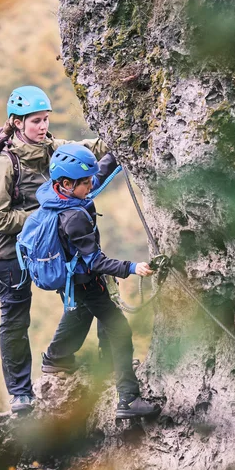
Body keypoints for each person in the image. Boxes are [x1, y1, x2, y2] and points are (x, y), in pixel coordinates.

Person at [0, 85, 107, 414]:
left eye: (45, 119)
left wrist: (120, 137)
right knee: (15, 318)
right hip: (8, 253)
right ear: (16, 122)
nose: (42, 126)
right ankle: (20, 393)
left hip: (49, 249)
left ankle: (58, 359)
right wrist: (42, 218)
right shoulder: (3, 164)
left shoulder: (55, 149)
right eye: (36, 121)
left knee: (86, 296)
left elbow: (91, 149)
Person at [36, 144, 161, 420]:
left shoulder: (56, 194)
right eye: (85, 182)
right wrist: (131, 268)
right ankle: (128, 399)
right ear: (67, 184)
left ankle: (56, 360)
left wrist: (117, 150)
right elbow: (95, 262)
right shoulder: (73, 218)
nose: (91, 185)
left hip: (69, 280)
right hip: (86, 282)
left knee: (79, 315)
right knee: (120, 330)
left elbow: (96, 176)